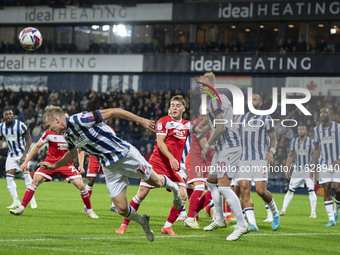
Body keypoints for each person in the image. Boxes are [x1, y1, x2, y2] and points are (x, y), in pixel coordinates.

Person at [38, 105, 181, 242]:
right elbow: (72, 154)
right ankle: (143, 221)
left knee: (155, 182)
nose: (50, 129)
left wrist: (141, 120)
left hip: (124, 155)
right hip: (109, 166)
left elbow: (113, 111)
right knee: (122, 209)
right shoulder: (68, 136)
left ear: (57, 120)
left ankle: (175, 189)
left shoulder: (80, 119)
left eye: (49, 125)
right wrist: (54, 166)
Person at [115, 95, 190, 236]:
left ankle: (167, 227)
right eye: (172, 105)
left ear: (184, 109)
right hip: (157, 164)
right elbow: (161, 143)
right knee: (141, 194)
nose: (174, 108)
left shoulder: (186, 125)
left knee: (183, 195)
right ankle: (124, 225)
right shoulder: (163, 122)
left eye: (178, 105)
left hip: (172, 168)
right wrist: (172, 158)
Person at [197, 72, 249, 241]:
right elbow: (216, 124)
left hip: (230, 146)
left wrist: (205, 146)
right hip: (222, 147)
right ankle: (219, 219)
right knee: (211, 182)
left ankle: (242, 225)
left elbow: (220, 129)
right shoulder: (220, 99)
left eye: (204, 85)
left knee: (224, 187)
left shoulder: (215, 100)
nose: (201, 88)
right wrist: (199, 129)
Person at [9, 127, 98, 218]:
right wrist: (26, 162)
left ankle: (90, 211)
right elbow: (37, 146)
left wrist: (81, 164)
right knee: (35, 181)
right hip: (50, 163)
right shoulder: (49, 132)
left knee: (82, 185)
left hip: (66, 164)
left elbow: (80, 149)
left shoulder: (72, 133)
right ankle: (21, 208)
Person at [236, 94, 280, 232]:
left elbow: (273, 139)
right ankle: (252, 223)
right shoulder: (240, 119)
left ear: (260, 103)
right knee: (244, 189)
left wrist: (271, 152)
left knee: (261, 191)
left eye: (255, 99)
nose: (252, 101)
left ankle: (275, 212)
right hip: (243, 159)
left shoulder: (266, 119)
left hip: (260, 159)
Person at [0, 108, 37, 209]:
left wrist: (25, 155)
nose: (9, 115)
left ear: (13, 115)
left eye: (10, 114)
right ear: (4, 117)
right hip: (11, 155)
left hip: (22, 154)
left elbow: (29, 139)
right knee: (9, 178)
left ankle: (32, 200)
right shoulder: (1, 127)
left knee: (27, 177)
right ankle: (15, 201)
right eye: (6, 114)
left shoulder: (20, 125)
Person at [310, 108, 340, 226]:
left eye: (325, 112)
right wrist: (313, 167)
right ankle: (331, 219)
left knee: (338, 190)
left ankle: (336, 210)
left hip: (337, 164)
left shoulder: (338, 128)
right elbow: (316, 149)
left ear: (330, 114)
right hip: (324, 164)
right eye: (321, 112)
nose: (322, 114)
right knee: (326, 188)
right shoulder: (316, 130)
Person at [280, 125, 317, 218]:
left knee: (311, 190)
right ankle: (283, 210)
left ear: (306, 131)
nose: (301, 130)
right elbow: (290, 156)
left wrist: (314, 170)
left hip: (309, 170)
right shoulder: (294, 142)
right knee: (290, 190)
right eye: (299, 129)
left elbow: (315, 157)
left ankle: (313, 213)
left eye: (303, 129)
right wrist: (287, 168)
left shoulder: (311, 142)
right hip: (297, 169)